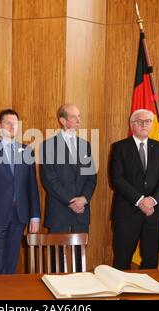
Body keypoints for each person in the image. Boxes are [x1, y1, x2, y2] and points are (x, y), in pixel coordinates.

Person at [0, 109, 40, 274]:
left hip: (20, 215)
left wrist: (35, 216)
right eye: (8, 123)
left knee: (12, 261)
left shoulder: (27, 151)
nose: (12, 127)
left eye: (15, 124)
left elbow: (32, 186)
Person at [110, 109, 159, 270]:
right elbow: (117, 179)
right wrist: (140, 200)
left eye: (148, 121)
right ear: (132, 125)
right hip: (126, 213)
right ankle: (122, 295)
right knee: (122, 260)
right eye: (140, 121)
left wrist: (152, 200)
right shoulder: (119, 147)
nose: (145, 124)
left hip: (154, 213)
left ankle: (148, 295)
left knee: (151, 260)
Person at [39, 104, 97, 270]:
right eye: (74, 117)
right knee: (56, 260)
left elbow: (91, 177)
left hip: (82, 211)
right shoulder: (48, 145)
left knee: (80, 260)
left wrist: (83, 200)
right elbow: (49, 180)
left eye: (79, 116)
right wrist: (72, 201)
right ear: (63, 120)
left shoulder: (85, 145)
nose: (79, 120)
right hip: (59, 210)